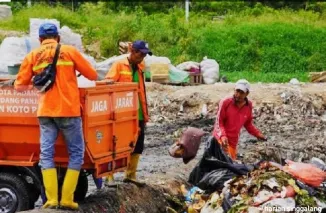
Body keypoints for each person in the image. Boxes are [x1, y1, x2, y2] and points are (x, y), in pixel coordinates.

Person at [8, 23, 98, 209]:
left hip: (46, 112)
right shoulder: (69, 51)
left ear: (40, 39)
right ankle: (66, 198)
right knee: (76, 154)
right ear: (58, 37)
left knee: (46, 155)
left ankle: (51, 200)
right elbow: (92, 74)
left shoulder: (33, 55)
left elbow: (18, 86)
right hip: (69, 111)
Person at [104, 40, 151, 186]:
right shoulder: (119, 65)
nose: (143, 57)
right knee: (116, 144)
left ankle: (130, 175)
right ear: (134, 52)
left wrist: (145, 114)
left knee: (137, 145)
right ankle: (109, 176)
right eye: (141, 54)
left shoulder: (141, 66)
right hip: (123, 114)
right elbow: (107, 84)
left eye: (144, 55)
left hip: (139, 113)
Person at [212, 79, 267, 160]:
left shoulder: (248, 106)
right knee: (219, 162)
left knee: (231, 164)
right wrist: (223, 136)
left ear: (247, 93)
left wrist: (258, 134)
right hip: (219, 139)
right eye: (237, 91)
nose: (238, 94)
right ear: (234, 90)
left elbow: (248, 124)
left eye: (242, 92)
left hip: (233, 141)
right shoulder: (225, 102)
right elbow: (219, 122)